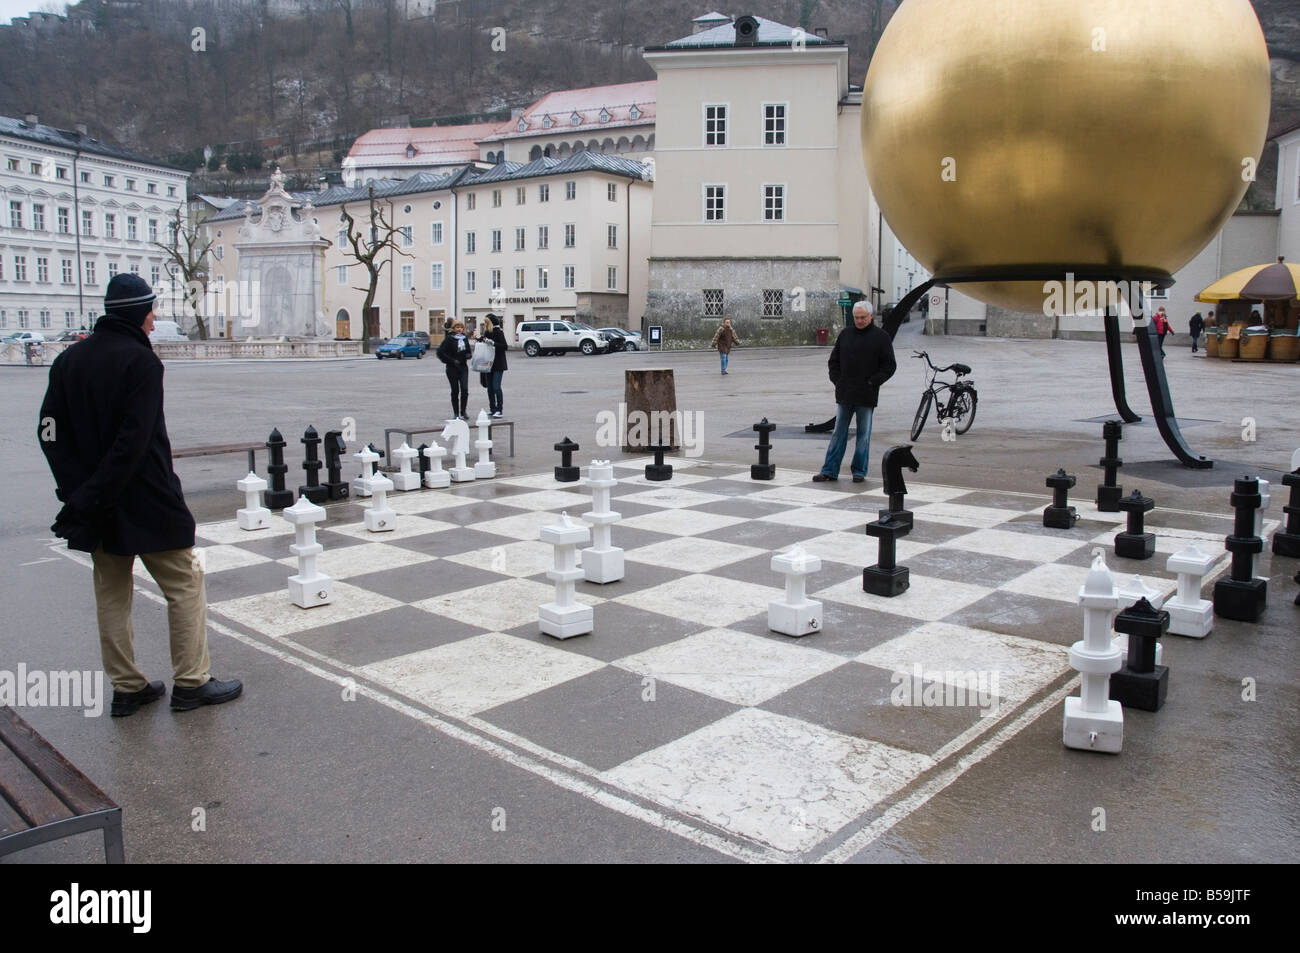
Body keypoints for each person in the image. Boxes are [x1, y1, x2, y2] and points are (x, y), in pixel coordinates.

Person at [37, 274, 243, 716]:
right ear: (138, 312)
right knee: (185, 585)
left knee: (112, 593)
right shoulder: (141, 362)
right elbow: (133, 442)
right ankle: (191, 682)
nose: (154, 321)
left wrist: (79, 492)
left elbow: (49, 433)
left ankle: (127, 687)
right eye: (151, 312)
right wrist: (95, 492)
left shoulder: (68, 360)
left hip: (93, 506)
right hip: (146, 500)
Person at [814, 300, 896, 484]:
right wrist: (837, 380)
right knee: (838, 433)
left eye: (862, 317)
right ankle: (829, 470)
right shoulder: (845, 334)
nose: (859, 321)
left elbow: (889, 366)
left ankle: (859, 471)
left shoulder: (881, 337)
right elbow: (833, 361)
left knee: (863, 434)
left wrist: (873, 382)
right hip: (845, 393)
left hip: (866, 394)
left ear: (871, 316)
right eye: (856, 318)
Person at [436, 320, 472, 420]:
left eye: (461, 327)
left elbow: (468, 351)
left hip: (463, 367)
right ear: (453, 328)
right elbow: (440, 352)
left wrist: (468, 355)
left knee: (464, 389)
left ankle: (463, 411)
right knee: (455, 390)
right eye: (457, 327)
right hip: (452, 368)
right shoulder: (449, 339)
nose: (459, 329)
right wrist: (451, 360)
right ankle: (456, 413)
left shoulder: (464, 338)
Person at [476, 315, 509, 418]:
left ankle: (499, 410)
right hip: (488, 363)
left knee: (496, 386)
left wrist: (493, 343)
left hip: (498, 364)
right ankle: (492, 409)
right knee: (489, 388)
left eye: (486, 322)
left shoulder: (499, 332)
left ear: (491, 323)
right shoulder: (487, 333)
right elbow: (484, 345)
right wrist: (480, 339)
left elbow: (504, 346)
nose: (485, 325)